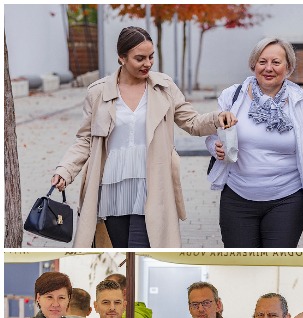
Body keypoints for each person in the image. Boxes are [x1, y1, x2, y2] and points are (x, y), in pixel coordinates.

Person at [52, 26, 237, 248]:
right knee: (123, 250)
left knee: (142, 246)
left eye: (151, 57)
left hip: (152, 183)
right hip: (112, 185)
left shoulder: (164, 88)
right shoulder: (98, 92)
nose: (147, 64)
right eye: (139, 58)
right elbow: (85, 140)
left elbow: (192, 122)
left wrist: (218, 118)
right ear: (121, 58)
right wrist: (65, 170)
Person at [207, 37, 303, 248]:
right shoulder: (232, 97)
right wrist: (215, 147)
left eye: (276, 62)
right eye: (262, 61)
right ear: (253, 64)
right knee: (241, 263)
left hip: (287, 199)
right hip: (238, 197)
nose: (268, 68)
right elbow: (211, 136)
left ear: (288, 67)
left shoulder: (302, 104)